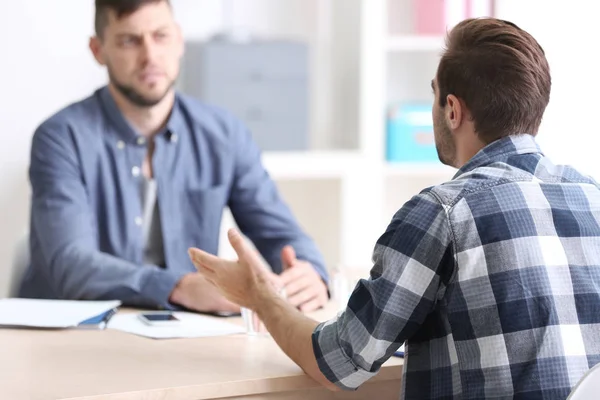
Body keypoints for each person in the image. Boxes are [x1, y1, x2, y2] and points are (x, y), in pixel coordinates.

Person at [189, 17, 600, 399]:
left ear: (452, 110)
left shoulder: (442, 213)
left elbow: (339, 363)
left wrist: (259, 295)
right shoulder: (592, 197)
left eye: (434, 95)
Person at [20, 0, 329, 314]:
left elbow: (280, 232)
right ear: (98, 50)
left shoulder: (224, 133)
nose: (150, 56)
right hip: (72, 337)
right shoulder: (60, 138)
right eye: (129, 40)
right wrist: (178, 286)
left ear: (179, 40)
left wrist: (310, 272)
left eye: (161, 36)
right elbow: (71, 264)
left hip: (187, 333)